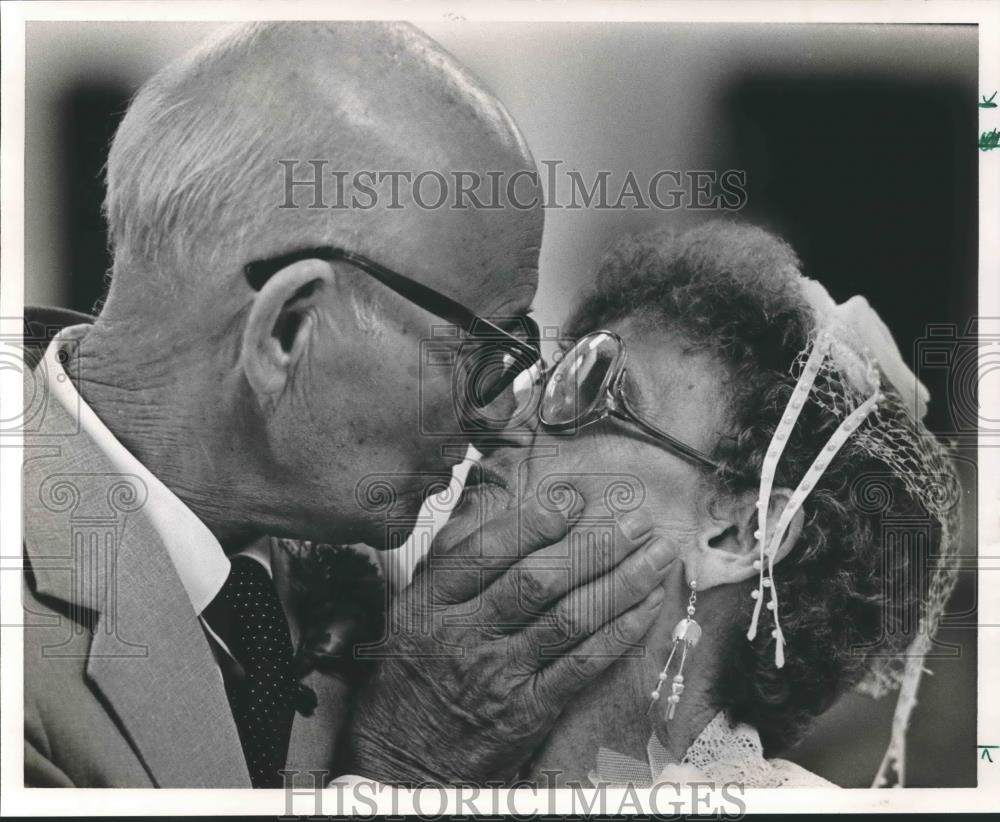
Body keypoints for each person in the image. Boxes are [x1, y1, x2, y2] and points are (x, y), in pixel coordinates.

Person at [21, 22, 670, 787]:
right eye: (481, 350)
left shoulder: (382, 575)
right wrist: (405, 771)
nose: (499, 419)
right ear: (289, 331)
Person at [427, 221, 961, 788]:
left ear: (741, 535)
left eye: (592, 389)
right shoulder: (353, 677)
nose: (505, 422)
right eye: (553, 376)